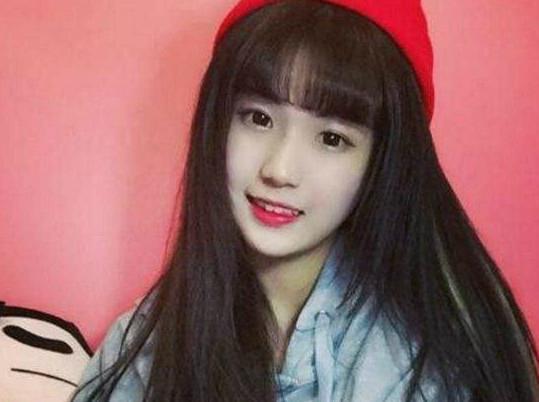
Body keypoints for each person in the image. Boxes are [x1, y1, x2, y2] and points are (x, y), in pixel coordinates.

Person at [71, 0, 539, 401]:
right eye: (258, 118)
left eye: (332, 138)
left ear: (383, 160)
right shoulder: (142, 344)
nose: (280, 169)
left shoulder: (431, 362)